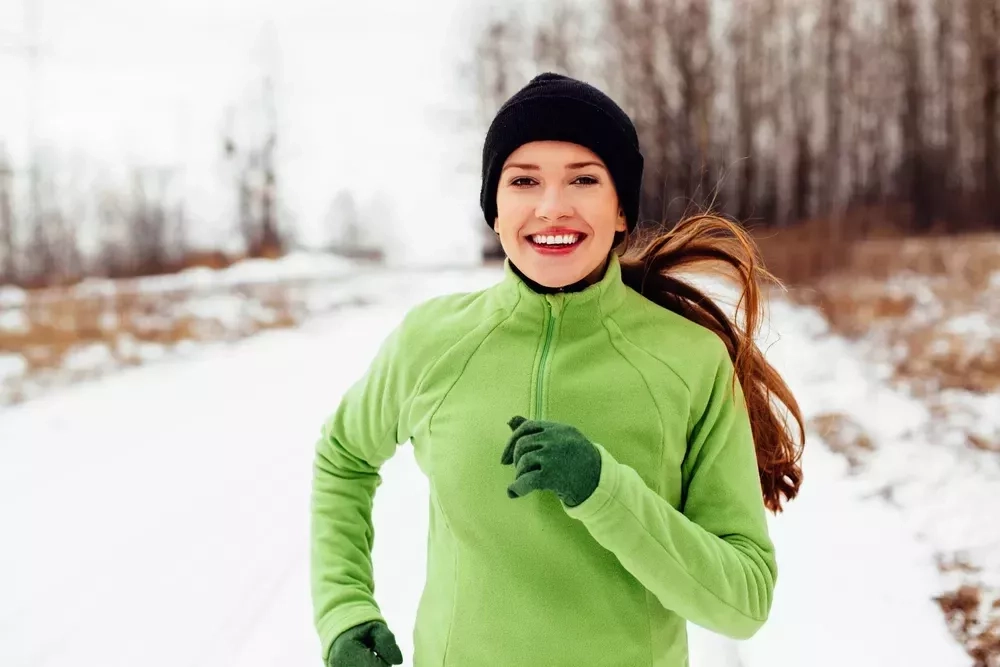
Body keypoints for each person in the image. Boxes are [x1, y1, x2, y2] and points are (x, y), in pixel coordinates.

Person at [310, 72, 805, 667]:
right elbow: (343, 457)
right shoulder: (431, 343)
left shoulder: (690, 361)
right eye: (523, 181)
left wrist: (601, 487)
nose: (552, 207)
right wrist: (344, 612)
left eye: (583, 179)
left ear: (621, 209)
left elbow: (743, 603)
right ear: (495, 211)